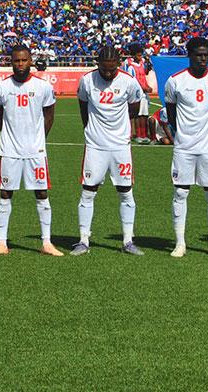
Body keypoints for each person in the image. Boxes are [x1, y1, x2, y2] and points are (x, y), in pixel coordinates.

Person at [0, 45, 62, 257]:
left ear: (30, 61)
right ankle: (1, 242)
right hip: (9, 150)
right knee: (5, 193)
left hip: (35, 151)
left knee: (41, 193)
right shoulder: (2, 87)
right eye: (16, 61)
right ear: (11, 62)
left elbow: (49, 116)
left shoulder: (42, 87)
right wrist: (10, 136)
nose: (20, 65)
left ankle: (46, 242)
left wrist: (38, 139)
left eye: (23, 60)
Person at [163, 37, 208, 258]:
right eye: (198, 55)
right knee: (181, 192)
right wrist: (185, 133)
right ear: (189, 56)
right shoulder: (175, 81)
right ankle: (180, 243)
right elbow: (172, 114)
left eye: (206, 55)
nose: (203, 59)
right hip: (184, 148)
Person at [71, 46, 144, 256]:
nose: (109, 73)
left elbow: (135, 107)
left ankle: (128, 241)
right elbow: (83, 107)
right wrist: (91, 130)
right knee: (88, 192)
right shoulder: (87, 81)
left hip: (120, 146)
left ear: (118, 64)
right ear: (98, 64)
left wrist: (120, 128)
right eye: (104, 69)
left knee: (125, 191)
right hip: (95, 145)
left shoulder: (128, 82)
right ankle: (83, 240)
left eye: (112, 69)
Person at [125, 44, 153, 143]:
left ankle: (144, 134)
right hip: (138, 94)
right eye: (138, 55)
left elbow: (145, 74)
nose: (140, 57)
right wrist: (143, 88)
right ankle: (138, 134)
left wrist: (147, 86)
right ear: (133, 56)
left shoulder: (141, 64)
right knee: (138, 115)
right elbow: (132, 82)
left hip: (144, 94)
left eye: (141, 55)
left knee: (145, 114)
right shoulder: (131, 67)